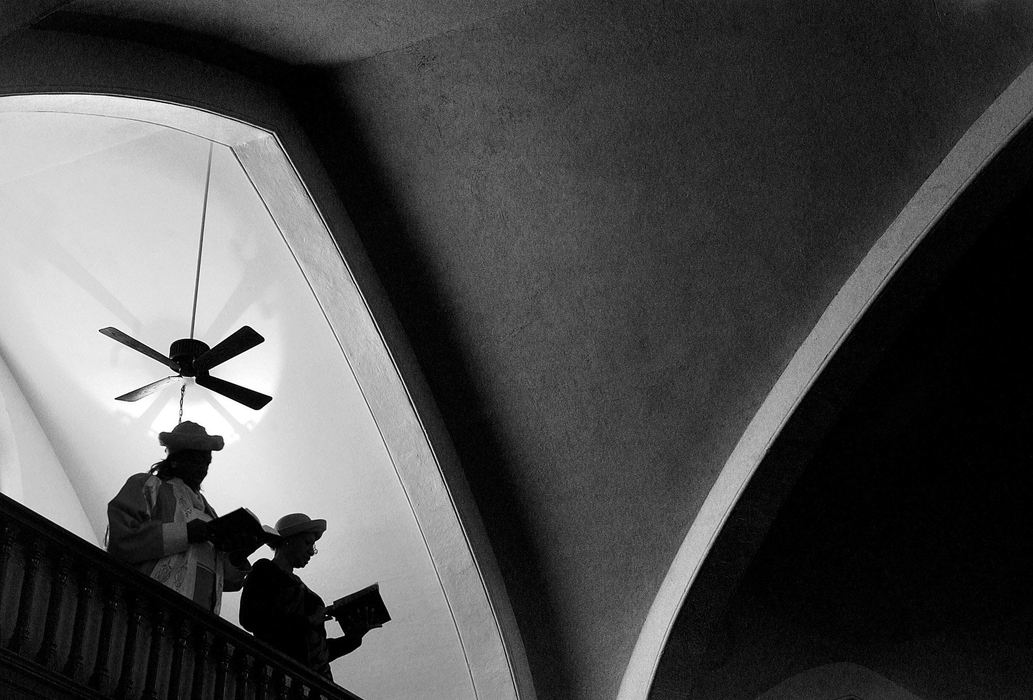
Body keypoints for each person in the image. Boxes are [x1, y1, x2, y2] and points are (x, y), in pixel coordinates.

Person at [106, 421, 254, 613]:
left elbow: (222, 580)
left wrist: (239, 555)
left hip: (195, 625)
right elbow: (121, 539)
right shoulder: (148, 486)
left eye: (206, 462)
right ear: (175, 460)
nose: (203, 469)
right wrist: (185, 533)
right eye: (196, 460)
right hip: (145, 609)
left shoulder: (210, 512)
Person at [239, 513, 371, 680]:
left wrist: (353, 638)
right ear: (288, 540)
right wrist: (307, 622)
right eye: (307, 543)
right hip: (280, 678)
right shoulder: (264, 570)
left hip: (317, 685)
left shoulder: (313, 599)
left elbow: (317, 652)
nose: (311, 552)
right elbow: (250, 619)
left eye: (313, 546)